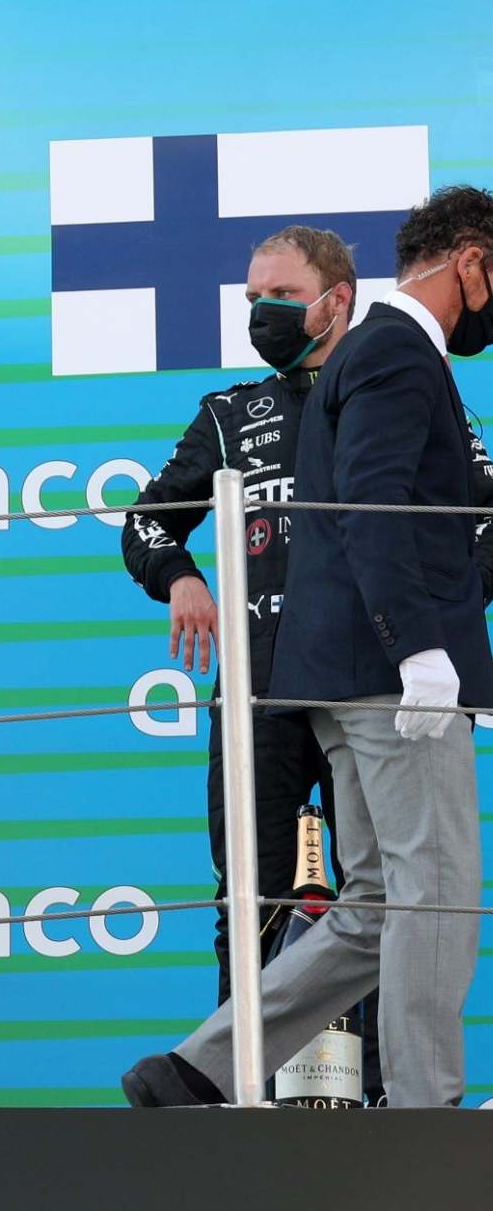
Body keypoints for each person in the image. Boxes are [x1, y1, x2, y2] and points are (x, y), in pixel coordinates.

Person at [125, 186, 493, 1109]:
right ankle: (423, 1111)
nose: (265, 314)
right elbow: (370, 505)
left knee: (369, 907)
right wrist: (421, 652)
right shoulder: (397, 352)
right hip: (383, 677)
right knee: (435, 891)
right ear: (473, 262)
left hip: (330, 673)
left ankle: (197, 1068)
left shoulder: (359, 359)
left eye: (279, 293)